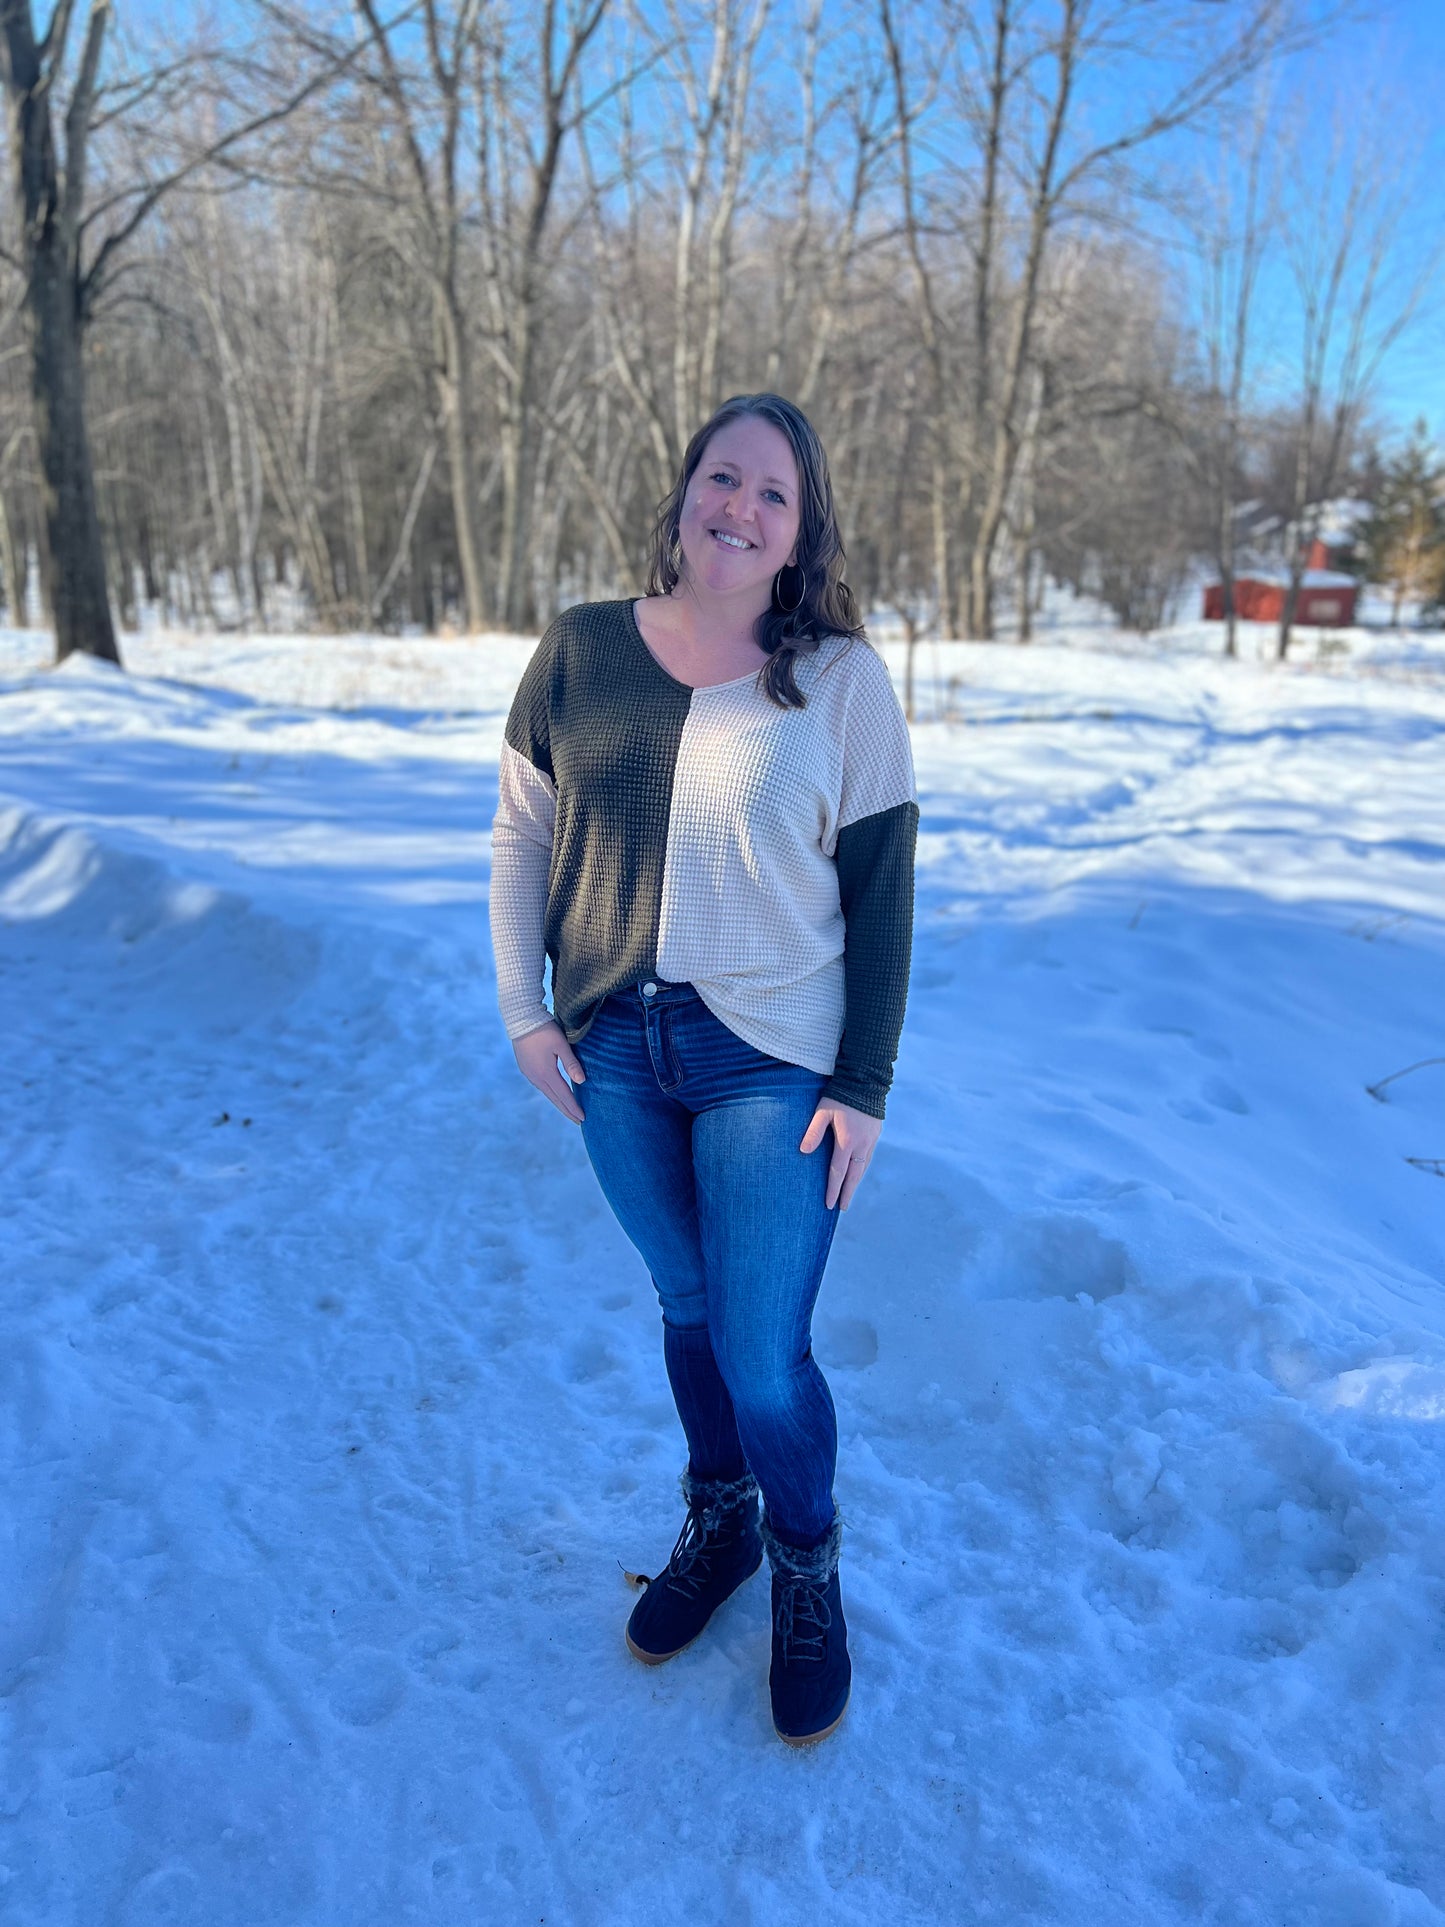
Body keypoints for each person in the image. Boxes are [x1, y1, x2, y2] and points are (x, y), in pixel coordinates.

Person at [489, 392, 917, 1746]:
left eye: (771, 494)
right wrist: (525, 1012)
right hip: (614, 1041)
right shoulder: (580, 649)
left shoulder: (838, 679)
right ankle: (718, 1523)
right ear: (681, 495)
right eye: (721, 477)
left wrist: (862, 1082)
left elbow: (884, 889)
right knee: (684, 1308)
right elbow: (520, 835)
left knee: (760, 1350)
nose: (739, 507)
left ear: (799, 534)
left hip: (769, 1057)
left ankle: (803, 1569)